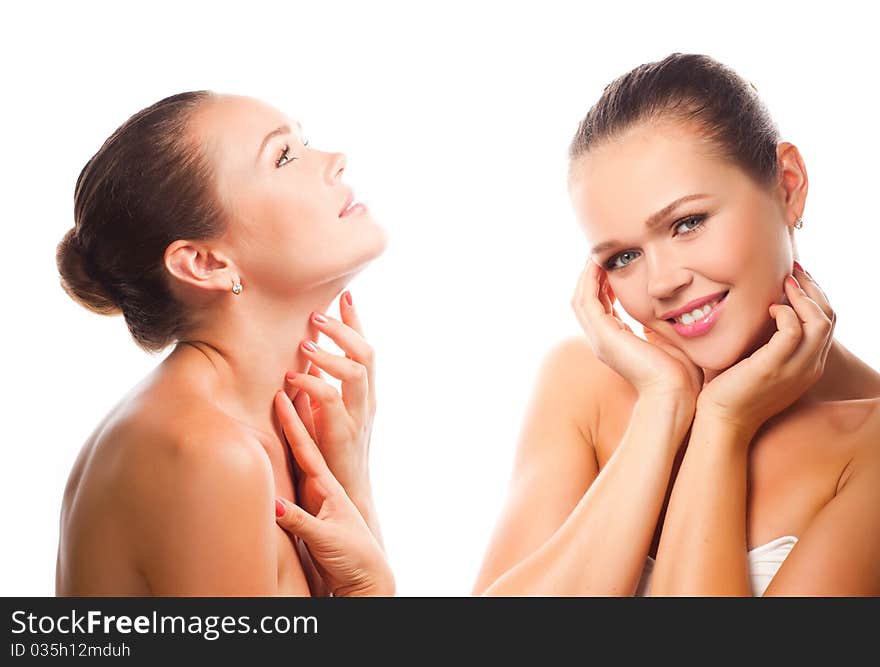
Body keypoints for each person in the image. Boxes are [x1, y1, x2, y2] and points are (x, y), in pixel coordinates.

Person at [474, 53, 880, 596]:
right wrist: (663, 406)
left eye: (687, 223)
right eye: (622, 257)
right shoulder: (584, 385)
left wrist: (722, 425)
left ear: (787, 184)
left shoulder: (869, 448)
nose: (661, 283)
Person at [54, 91, 393, 596]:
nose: (336, 161)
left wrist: (354, 488)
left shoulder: (254, 431)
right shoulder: (206, 454)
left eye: (305, 143)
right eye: (283, 156)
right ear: (205, 263)